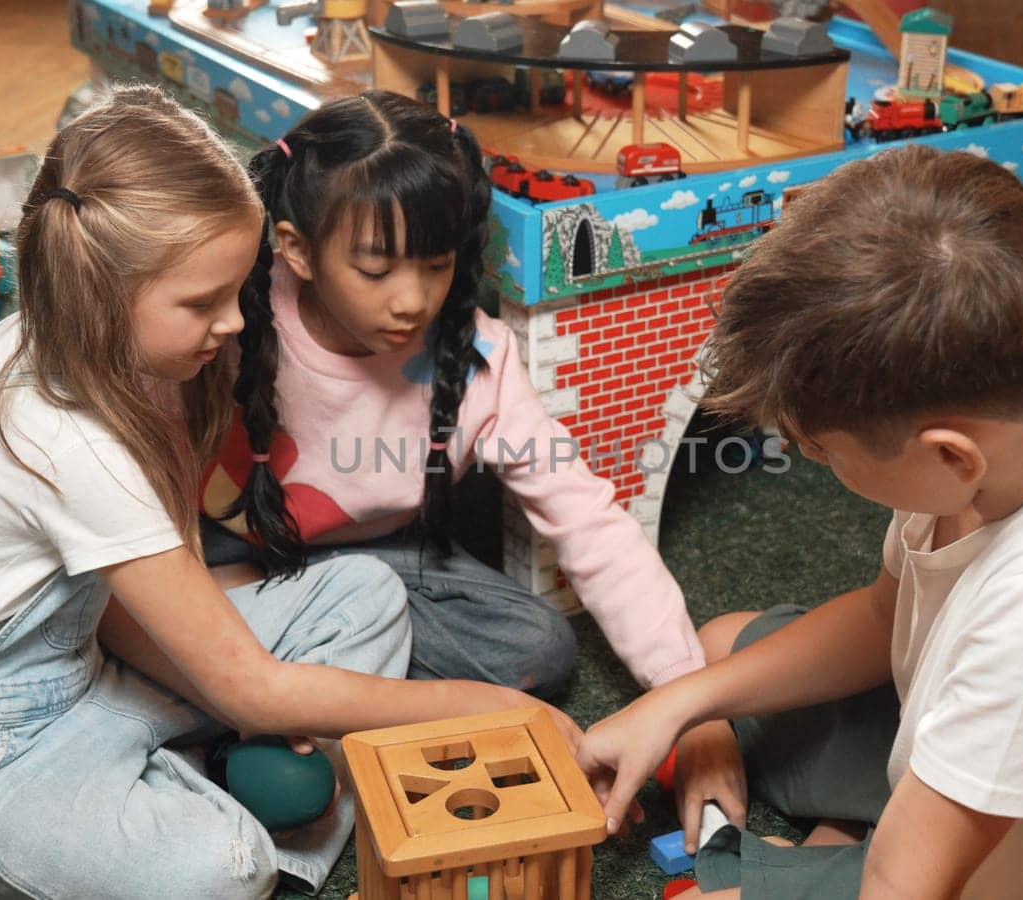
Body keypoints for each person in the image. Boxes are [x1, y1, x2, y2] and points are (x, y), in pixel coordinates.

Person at [0, 85, 561, 900]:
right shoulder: (69, 437)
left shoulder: (77, 341)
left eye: (238, 291)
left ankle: (194, 788)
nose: (237, 322)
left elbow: (133, 618)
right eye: (204, 303)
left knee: (368, 593)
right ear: (105, 294)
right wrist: (493, 708)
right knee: (223, 869)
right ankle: (223, 818)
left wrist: (250, 695)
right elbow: (249, 688)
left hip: (82, 662)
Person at [576, 144, 1023, 899]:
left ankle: (842, 833)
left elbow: (903, 885)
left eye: (819, 452)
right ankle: (849, 821)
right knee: (717, 651)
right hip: (977, 750)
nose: (810, 462)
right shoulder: (1011, 415)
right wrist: (676, 703)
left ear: (950, 459)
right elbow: (884, 614)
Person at [199, 90, 704, 697]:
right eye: (376, 271)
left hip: (382, 559)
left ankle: (294, 644)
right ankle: (292, 645)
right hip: (226, 543)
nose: (411, 301)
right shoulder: (231, 316)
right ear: (299, 250)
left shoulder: (479, 358)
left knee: (538, 648)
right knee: (135, 602)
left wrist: (682, 689)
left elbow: (586, 517)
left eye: (435, 265)